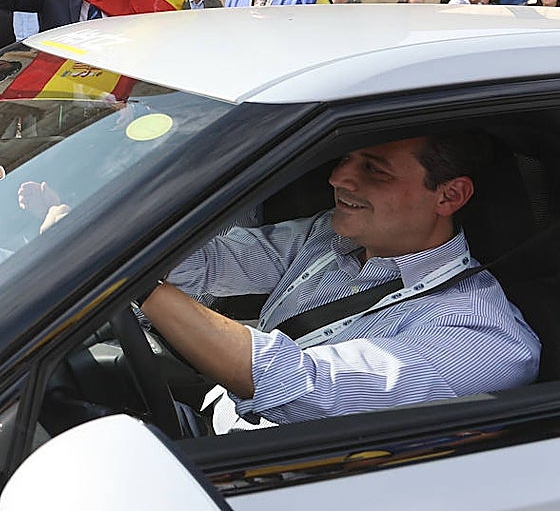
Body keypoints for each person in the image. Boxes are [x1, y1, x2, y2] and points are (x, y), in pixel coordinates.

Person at [140, 133, 540, 433]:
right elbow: (212, 261)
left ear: (449, 196)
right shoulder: (331, 238)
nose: (337, 178)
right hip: (219, 422)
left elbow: (299, 384)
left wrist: (137, 281)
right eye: (347, 158)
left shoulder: (480, 336)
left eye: (374, 168)